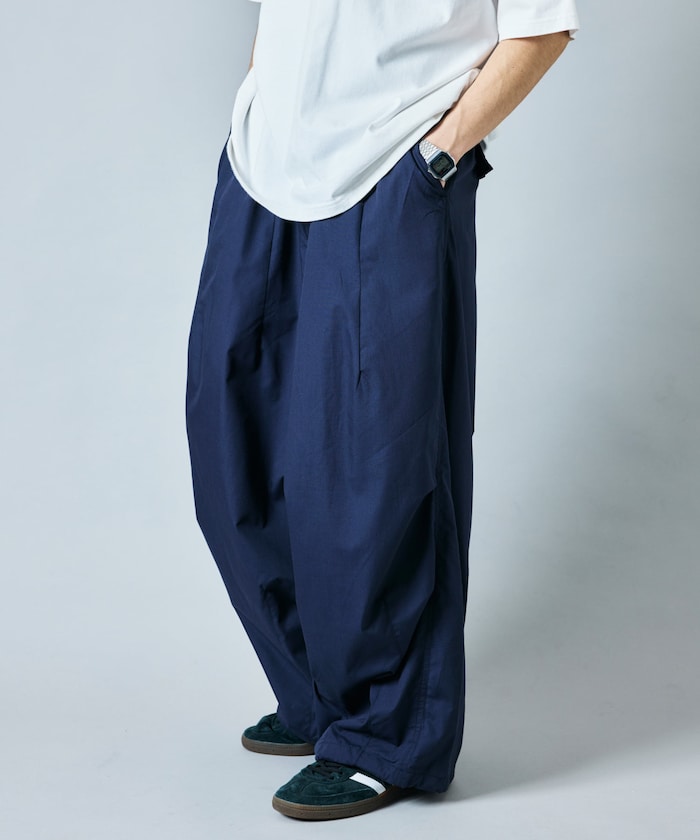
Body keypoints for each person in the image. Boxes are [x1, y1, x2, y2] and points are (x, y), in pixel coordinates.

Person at [186, 0, 579, 822]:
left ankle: (386, 735)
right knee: (233, 447)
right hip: (263, 166)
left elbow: (541, 26)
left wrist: (439, 156)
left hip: (391, 169)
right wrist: (259, 96)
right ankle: (319, 693)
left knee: (376, 468)